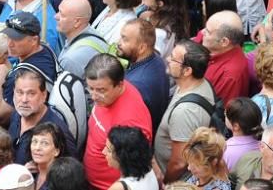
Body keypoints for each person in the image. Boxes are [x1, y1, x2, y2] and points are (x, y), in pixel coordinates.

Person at [83, 55, 152, 190]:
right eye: (90, 88)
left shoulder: (131, 122)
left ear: (120, 85)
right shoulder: (107, 96)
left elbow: (136, 166)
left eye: (101, 90)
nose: (94, 96)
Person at [155, 40, 217, 182]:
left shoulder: (186, 112)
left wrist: (166, 183)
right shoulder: (196, 83)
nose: (168, 59)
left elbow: (179, 163)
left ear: (187, 71)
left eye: (173, 58)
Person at [8, 67, 76, 166]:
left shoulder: (58, 130)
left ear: (44, 95)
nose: (24, 99)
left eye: (31, 93)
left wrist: (42, 170)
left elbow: (70, 173)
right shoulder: (16, 114)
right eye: (19, 92)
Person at [103, 125, 159, 190]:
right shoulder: (149, 169)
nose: (103, 152)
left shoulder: (119, 187)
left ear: (122, 157)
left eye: (108, 149)